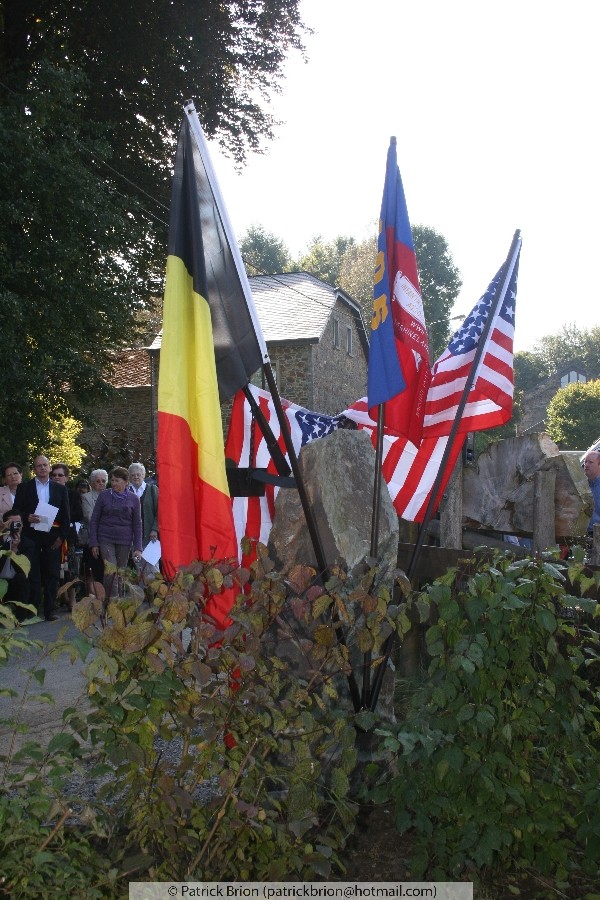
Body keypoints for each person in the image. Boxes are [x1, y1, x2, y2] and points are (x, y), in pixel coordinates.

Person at [14, 455, 71, 621]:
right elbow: (16, 512)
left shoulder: (59, 489)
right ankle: (32, 610)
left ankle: (50, 611)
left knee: (52, 574)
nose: (42, 468)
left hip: (52, 537)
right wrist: (27, 517)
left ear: (49, 467)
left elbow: (66, 515)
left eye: (45, 465)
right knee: (33, 574)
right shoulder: (24, 487)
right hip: (31, 536)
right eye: (39, 466)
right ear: (34, 469)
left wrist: (61, 536)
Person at [89, 466, 142, 599]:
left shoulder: (134, 499)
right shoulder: (104, 496)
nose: (113, 483)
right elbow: (94, 520)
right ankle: (113, 600)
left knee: (120, 571)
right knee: (110, 570)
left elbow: (137, 524)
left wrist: (138, 548)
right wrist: (94, 542)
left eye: (117, 480)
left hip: (125, 540)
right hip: (105, 538)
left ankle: (114, 602)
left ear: (126, 482)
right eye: (112, 480)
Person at [50, 463, 84, 608]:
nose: (57, 477)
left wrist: (64, 516)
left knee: (71, 568)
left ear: (67, 477)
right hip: (50, 534)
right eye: (54, 475)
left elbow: (79, 514)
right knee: (53, 569)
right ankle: (60, 596)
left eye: (60, 475)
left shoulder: (72, 494)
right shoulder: (47, 492)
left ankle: (72, 599)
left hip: (68, 536)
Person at [0, 509, 34, 621]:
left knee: (22, 579)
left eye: (18, 523)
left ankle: (20, 618)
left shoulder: (27, 543)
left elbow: (25, 570)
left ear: (23, 525)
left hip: (15, 579)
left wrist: (15, 550)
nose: (16, 526)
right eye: (12, 523)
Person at [80, 469, 108, 592]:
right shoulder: (86, 497)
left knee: (107, 571)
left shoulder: (112, 495)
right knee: (93, 572)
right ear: (92, 483)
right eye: (98, 481)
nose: (101, 484)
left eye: (103, 481)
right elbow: (90, 517)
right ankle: (93, 598)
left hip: (108, 540)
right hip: (93, 539)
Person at [128, 463, 159, 547]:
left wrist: (155, 529)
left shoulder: (153, 490)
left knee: (151, 559)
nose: (136, 477)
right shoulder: (126, 491)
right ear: (129, 477)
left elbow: (159, 512)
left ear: (143, 475)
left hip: (150, 536)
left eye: (138, 474)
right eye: (133, 475)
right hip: (131, 537)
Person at [582, 448, 600, 534]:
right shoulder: (581, 485)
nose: (586, 465)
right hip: (582, 535)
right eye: (585, 462)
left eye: (590, 462)